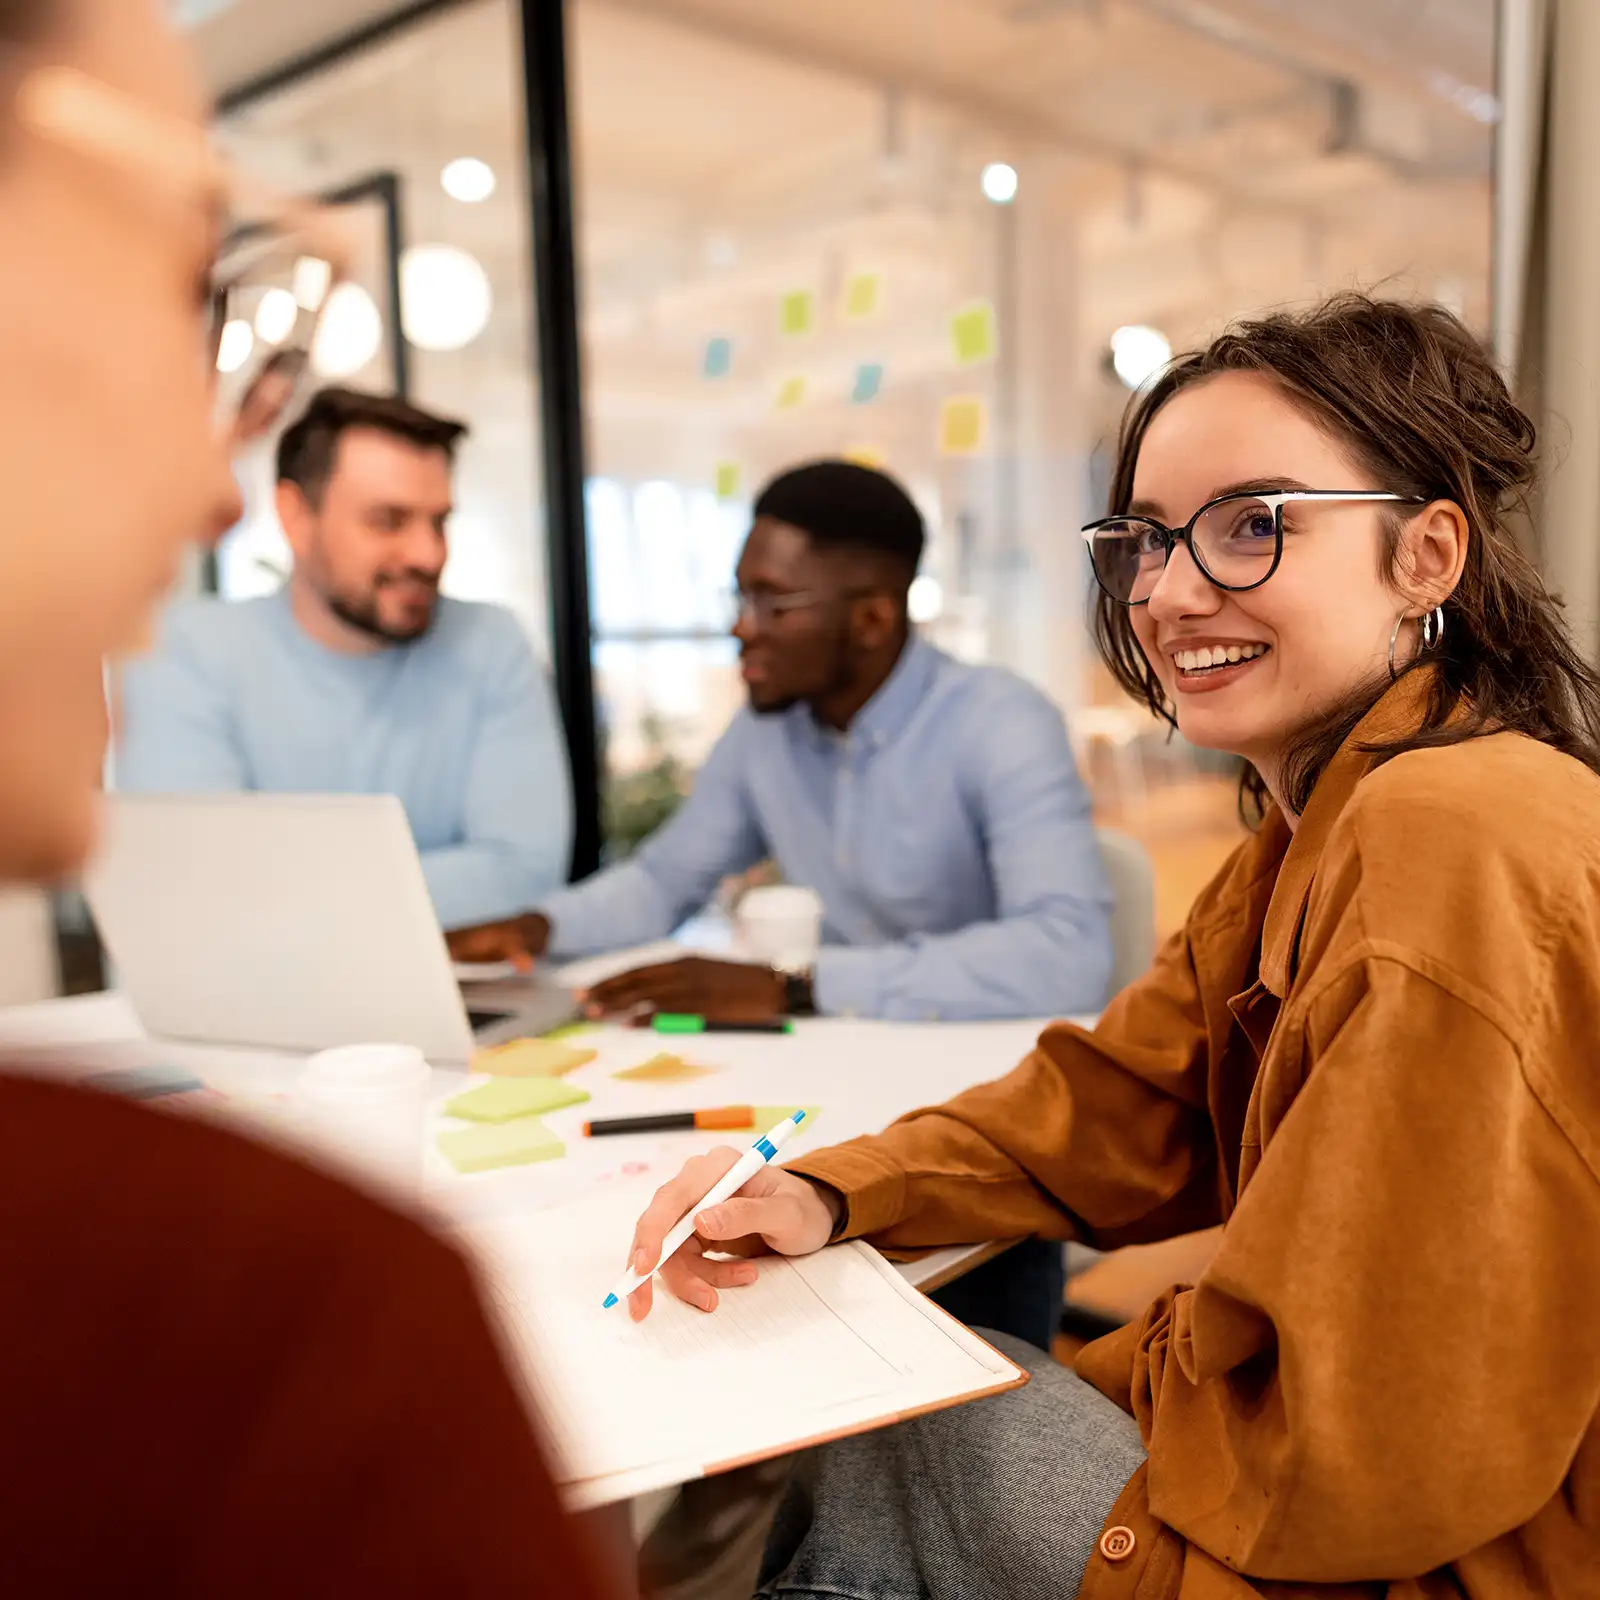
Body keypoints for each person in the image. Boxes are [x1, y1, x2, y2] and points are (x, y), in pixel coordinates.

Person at [624, 296, 1600, 1599]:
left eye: (1254, 525)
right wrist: (826, 1189)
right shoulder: (1313, 827)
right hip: (1357, 1497)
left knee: (882, 1424)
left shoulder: (1448, 831)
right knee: (901, 1391)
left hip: (1430, 1560)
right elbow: (1119, 1097)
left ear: (1426, 555)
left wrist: (1120, 1366)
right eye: (1143, 540)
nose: (1169, 591)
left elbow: (1358, 1448)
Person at [0, 0, 614, 1592]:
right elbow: (193, 865)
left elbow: (521, 858)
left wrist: (305, 870)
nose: (194, 472)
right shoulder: (276, 1319)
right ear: (290, 520)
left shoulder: (238, 1304)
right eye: (175, 305)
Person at [450, 458, 1114, 1026]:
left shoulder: (1002, 723)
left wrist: (795, 985)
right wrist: (537, 928)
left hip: (984, 1068)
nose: (741, 629)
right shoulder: (766, 732)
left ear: (874, 618)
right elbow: (663, 882)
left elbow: (1067, 955)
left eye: (772, 602)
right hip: (840, 1058)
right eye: (739, 597)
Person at [116, 386, 574, 931]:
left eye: (439, 522)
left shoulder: (491, 642)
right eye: (388, 520)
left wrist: (285, 900)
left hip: (449, 993)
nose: (429, 554)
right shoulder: (185, 651)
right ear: (295, 516)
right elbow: (196, 887)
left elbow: (524, 871)